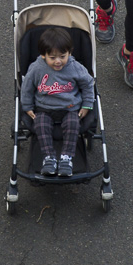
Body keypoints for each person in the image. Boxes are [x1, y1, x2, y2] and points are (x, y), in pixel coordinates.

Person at [20, 28, 95, 177]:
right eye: (52, 57)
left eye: (62, 56)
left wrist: (87, 104)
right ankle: (49, 157)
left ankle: (66, 158)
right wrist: (27, 106)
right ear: (43, 55)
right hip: (44, 108)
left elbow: (88, 84)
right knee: (40, 125)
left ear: (70, 53)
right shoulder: (36, 68)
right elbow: (27, 87)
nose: (58, 61)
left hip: (70, 108)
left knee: (74, 125)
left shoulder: (75, 67)